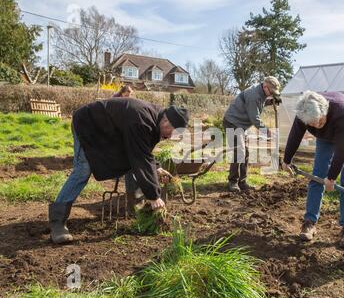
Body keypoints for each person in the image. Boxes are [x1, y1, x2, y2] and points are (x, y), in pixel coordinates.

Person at [48, 98, 189, 244]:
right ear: (166, 121)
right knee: (83, 169)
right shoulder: (142, 120)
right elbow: (140, 158)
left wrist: (157, 167)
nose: (171, 136)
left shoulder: (155, 120)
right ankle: (57, 222)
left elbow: (144, 151)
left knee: (130, 162)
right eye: (172, 132)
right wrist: (154, 196)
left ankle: (136, 208)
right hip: (87, 124)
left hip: (108, 132)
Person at [282, 91, 344, 249]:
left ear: (324, 110)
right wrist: (286, 160)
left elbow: (343, 150)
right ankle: (309, 222)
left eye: (319, 122)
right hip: (326, 139)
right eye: (312, 125)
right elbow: (295, 135)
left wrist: (332, 178)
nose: (316, 126)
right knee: (317, 176)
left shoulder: (342, 111)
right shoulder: (304, 113)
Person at [223, 76, 281, 192]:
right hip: (232, 122)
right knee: (240, 151)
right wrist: (267, 131)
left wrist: (270, 101)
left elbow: (260, 103)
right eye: (271, 92)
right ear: (265, 86)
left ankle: (242, 182)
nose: (271, 94)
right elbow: (254, 118)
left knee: (246, 152)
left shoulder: (262, 93)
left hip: (241, 125)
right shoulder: (253, 95)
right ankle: (233, 181)